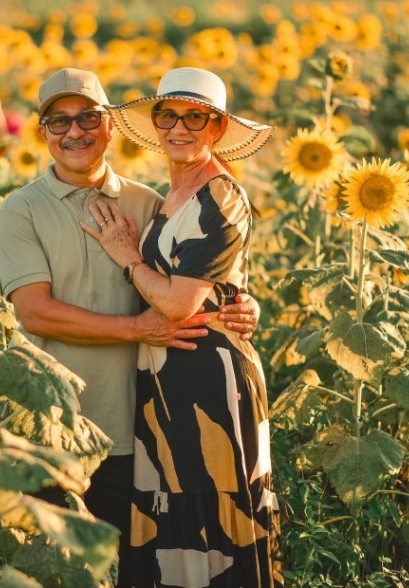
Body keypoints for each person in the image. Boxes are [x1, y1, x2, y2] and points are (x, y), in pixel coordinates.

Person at [0, 68, 260, 587]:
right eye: (59, 122)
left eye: (89, 118)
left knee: (134, 571)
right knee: (52, 569)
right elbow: (36, 313)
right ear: (41, 131)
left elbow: (204, 272)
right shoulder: (19, 210)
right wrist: (137, 328)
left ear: (110, 127)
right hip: (54, 425)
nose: (75, 133)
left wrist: (245, 305)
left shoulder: (148, 203)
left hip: (141, 433)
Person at [84, 67, 281, 587]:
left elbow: (176, 302)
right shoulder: (169, 195)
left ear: (217, 129)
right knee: (176, 521)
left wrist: (128, 258)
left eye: (196, 117)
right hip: (167, 377)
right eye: (168, 114)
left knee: (212, 520)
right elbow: (219, 283)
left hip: (208, 384)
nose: (180, 127)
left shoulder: (220, 197)